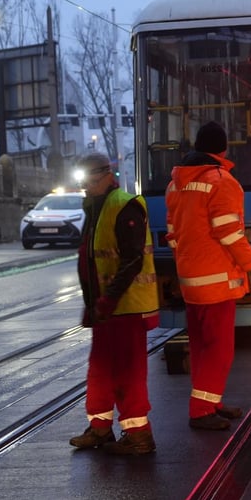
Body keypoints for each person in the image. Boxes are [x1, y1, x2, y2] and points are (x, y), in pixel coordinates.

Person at [165, 121, 251, 431]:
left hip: (191, 280)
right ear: (223, 150)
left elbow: (172, 234)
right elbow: (230, 233)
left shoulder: (175, 184)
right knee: (219, 349)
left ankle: (212, 402)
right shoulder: (221, 181)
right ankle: (201, 411)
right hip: (217, 280)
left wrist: (185, 266)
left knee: (201, 346)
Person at [67, 152, 161, 455]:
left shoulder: (123, 205)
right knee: (100, 369)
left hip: (126, 305)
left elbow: (132, 260)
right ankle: (99, 427)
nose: (87, 188)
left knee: (127, 372)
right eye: (84, 183)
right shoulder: (96, 207)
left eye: (91, 182)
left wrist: (108, 300)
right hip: (106, 306)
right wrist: (94, 303)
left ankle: (139, 436)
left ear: (107, 175)